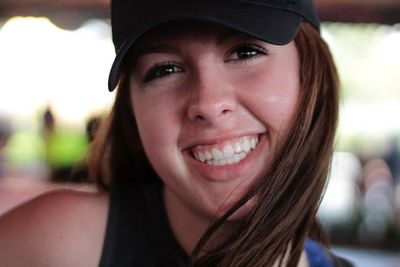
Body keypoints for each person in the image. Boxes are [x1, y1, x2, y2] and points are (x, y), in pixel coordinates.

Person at [0, 0, 353, 266]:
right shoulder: (59, 244)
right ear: (132, 113)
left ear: (312, 77)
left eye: (246, 51)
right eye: (165, 69)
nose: (209, 103)